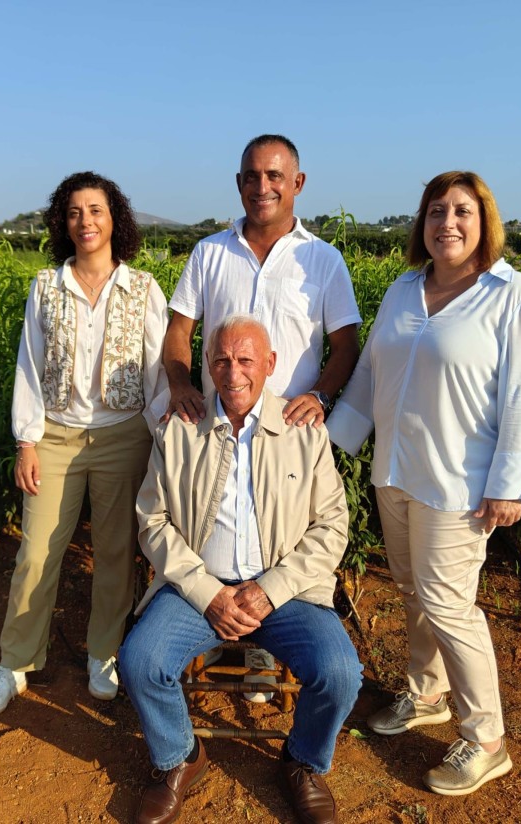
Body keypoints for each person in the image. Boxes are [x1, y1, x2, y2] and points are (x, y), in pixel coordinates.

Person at [326, 171, 521, 796]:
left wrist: (509, 483)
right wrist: (327, 447)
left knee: (449, 605)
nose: (447, 224)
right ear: (420, 225)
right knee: (410, 589)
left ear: (484, 222)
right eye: (435, 212)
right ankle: (426, 694)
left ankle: (486, 738)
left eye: (461, 212)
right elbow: (370, 377)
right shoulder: (404, 291)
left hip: (461, 484)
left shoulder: (512, 297)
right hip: (396, 474)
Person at [120, 316, 362, 824]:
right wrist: (207, 591)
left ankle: (302, 763)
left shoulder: (304, 432)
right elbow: (153, 520)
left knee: (340, 674)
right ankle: (180, 759)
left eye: (247, 359)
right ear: (207, 366)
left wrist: (270, 590)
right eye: (223, 360)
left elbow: (331, 527)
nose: (234, 373)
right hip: (197, 591)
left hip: (285, 592)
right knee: (140, 661)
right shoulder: (180, 427)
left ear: (270, 365)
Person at [162, 133, 362, 698]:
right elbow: (180, 331)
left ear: (297, 184)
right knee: (216, 534)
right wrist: (180, 383)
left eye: (276, 176)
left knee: (276, 545)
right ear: (239, 184)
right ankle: (205, 637)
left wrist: (319, 396)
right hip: (216, 428)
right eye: (252, 176)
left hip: (290, 438)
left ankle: (264, 649)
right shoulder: (210, 252)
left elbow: (346, 345)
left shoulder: (321, 260)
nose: (263, 186)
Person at [0, 171, 168, 718]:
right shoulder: (45, 286)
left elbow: (158, 374)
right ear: (64, 222)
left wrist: (161, 442)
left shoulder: (144, 288)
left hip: (124, 434)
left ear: (115, 219)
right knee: (36, 552)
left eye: (96, 211)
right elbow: (28, 367)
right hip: (55, 435)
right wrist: (26, 441)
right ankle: (13, 664)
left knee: (114, 554)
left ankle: (103, 654)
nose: (86, 221)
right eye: (76, 212)